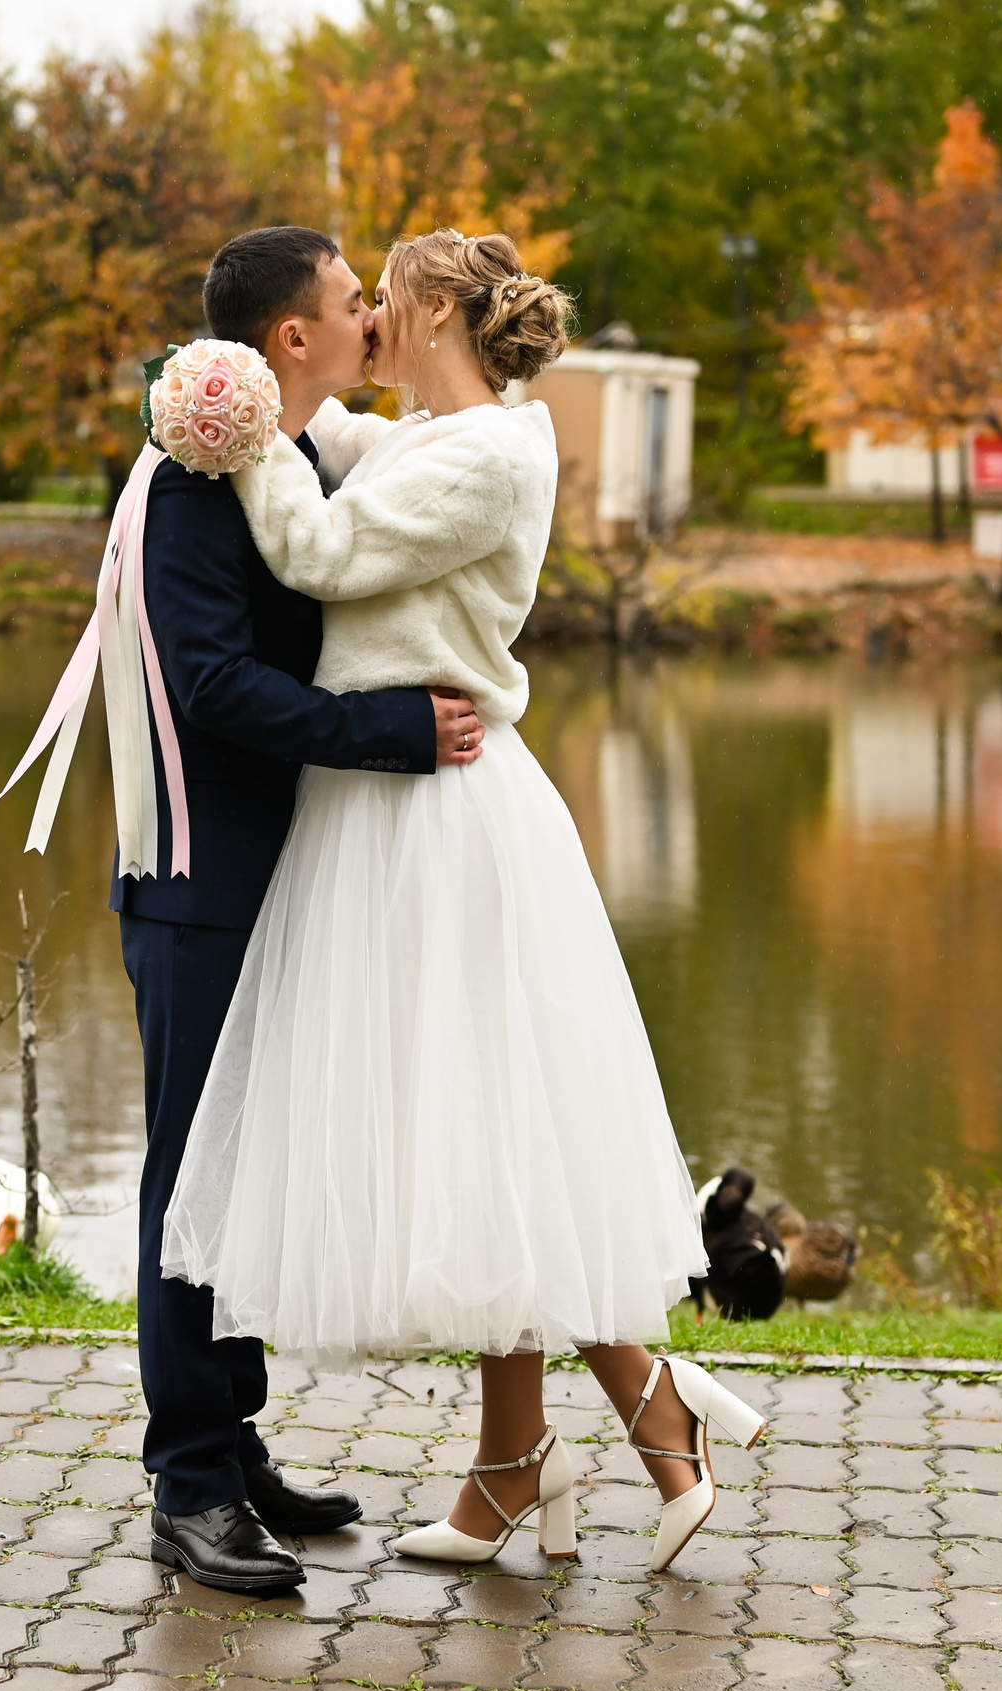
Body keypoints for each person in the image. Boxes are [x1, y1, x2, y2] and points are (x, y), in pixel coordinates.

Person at [162, 229, 762, 1576]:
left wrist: (237, 423)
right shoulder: (432, 437)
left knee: (487, 1134)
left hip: (439, 812)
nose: (367, 314)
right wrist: (241, 396)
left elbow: (314, 551)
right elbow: (344, 449)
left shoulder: (493, 452)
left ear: (433, 305)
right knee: (477, 1141)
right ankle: (523, 1460)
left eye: (382, 293)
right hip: (383, 810)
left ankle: (627, 1426)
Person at [117, 226, 490, 1596]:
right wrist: (391, 729)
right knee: (185, 1184)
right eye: (351, 303)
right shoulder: (195, 478)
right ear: (293, 338)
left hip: (271, 879)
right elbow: (211, 685)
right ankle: (191, 1486)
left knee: (242, 1179)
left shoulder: (289, 458)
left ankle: (236, 1445)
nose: (371, 319)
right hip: (200, 887)